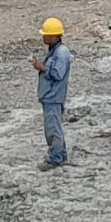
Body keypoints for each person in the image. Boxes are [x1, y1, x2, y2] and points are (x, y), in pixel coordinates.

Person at [34, 17, 72, 171]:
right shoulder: (55, 50)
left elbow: (58, 74)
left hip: (53, 96)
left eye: (46, 35)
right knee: (54, 127)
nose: (43, 37)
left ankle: (55, 159)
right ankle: (60, 155)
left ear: (54, 36)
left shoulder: (61, 52)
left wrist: (42, 68)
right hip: (51, 96)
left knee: (53, 129)